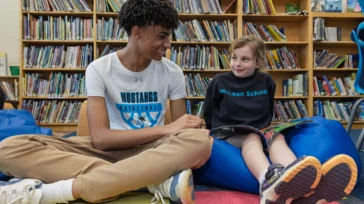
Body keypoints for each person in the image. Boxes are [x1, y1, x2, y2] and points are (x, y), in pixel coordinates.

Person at [0, 0, 212, 204]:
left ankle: (57, 192)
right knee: (8, 148)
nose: (168, 44)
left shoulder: (173, 72)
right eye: (162, 36)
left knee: (198, 143)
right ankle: (150, 181)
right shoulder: (99, 68)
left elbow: (182, 131)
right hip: (102, 152)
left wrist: (192, 128)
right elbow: (101, 139)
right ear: (137, 32)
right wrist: (168, 129)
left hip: (152, 151)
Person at [203, 35, 357, 203]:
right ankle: (267, 182)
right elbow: (209, 110)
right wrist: (209, 130)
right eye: (234, 58)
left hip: (259, 129)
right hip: (229, 131)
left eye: (245, 59)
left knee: (278, 137)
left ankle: (296, 176)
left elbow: (267, 109)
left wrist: (267, 130)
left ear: (258, 62)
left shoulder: (266, 81)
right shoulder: (220, 81)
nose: (237, 63)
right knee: (252, 139)